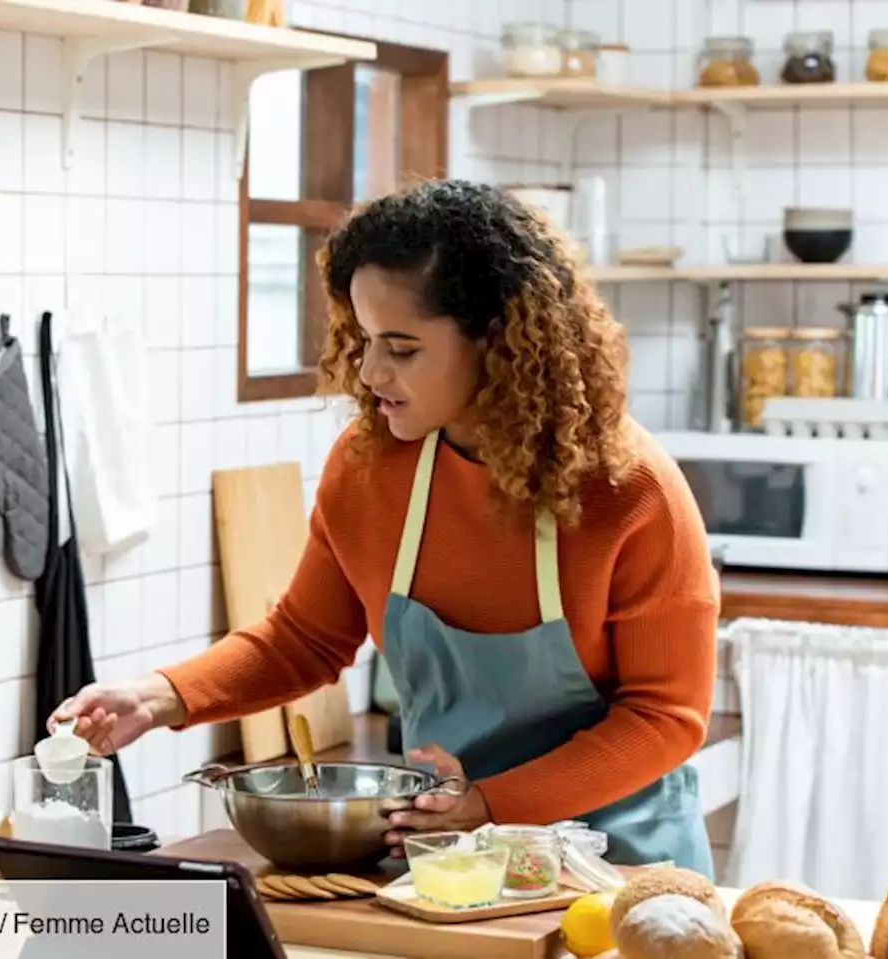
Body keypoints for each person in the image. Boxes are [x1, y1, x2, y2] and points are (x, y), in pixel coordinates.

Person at [47, 179, 719, 876]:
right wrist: (155, 697)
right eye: (364, 340)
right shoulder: (372, 468)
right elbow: (304, 638)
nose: (369, 372)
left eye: (402, 347)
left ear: (501, 339)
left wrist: (490, 802)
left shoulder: (630, 491)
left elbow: (664, 716)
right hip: (449, 862)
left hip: (619, 868)